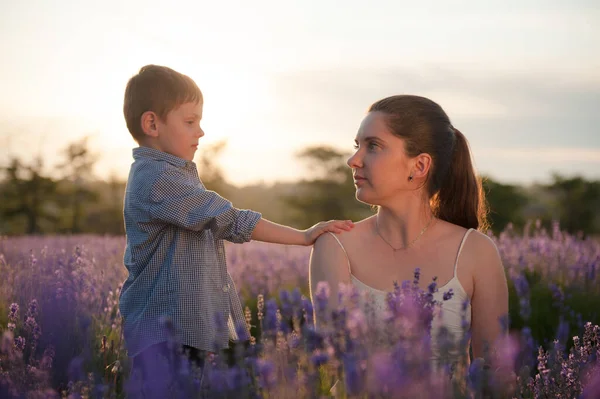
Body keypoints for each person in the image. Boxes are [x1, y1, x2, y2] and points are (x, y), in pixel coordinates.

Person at [118, 64, 354, 396]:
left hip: (180, 331)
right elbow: (230, 220)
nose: (200, 132)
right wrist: (303, 236)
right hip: (167, 334)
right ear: (152, 123)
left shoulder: (173, 173)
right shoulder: (158, 178)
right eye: (190, 122)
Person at [309, 95, 509, 385]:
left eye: (373, 146)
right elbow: (332, 372)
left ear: (419, 166)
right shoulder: (335, 245)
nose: (353, 160)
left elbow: (495, 374)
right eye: (357, 146)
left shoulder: (476, 251)